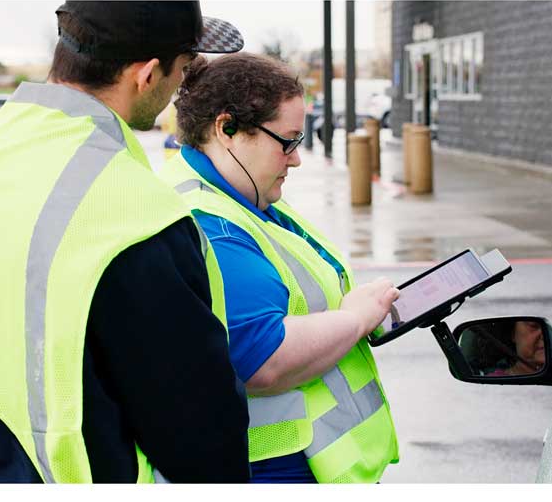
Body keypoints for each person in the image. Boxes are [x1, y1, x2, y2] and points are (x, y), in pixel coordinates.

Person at [0, 1, 250, 483]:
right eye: (183, 70)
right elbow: (200, 440)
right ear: (147, 75)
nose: (178, 90)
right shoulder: (132, 209)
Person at [157, 53, 401, 483]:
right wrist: (355, 319)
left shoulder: (244, 197)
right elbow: (261, 357)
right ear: (227, 128)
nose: (296, 158)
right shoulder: (212, 223)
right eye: (286, 141)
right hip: (279, 469)